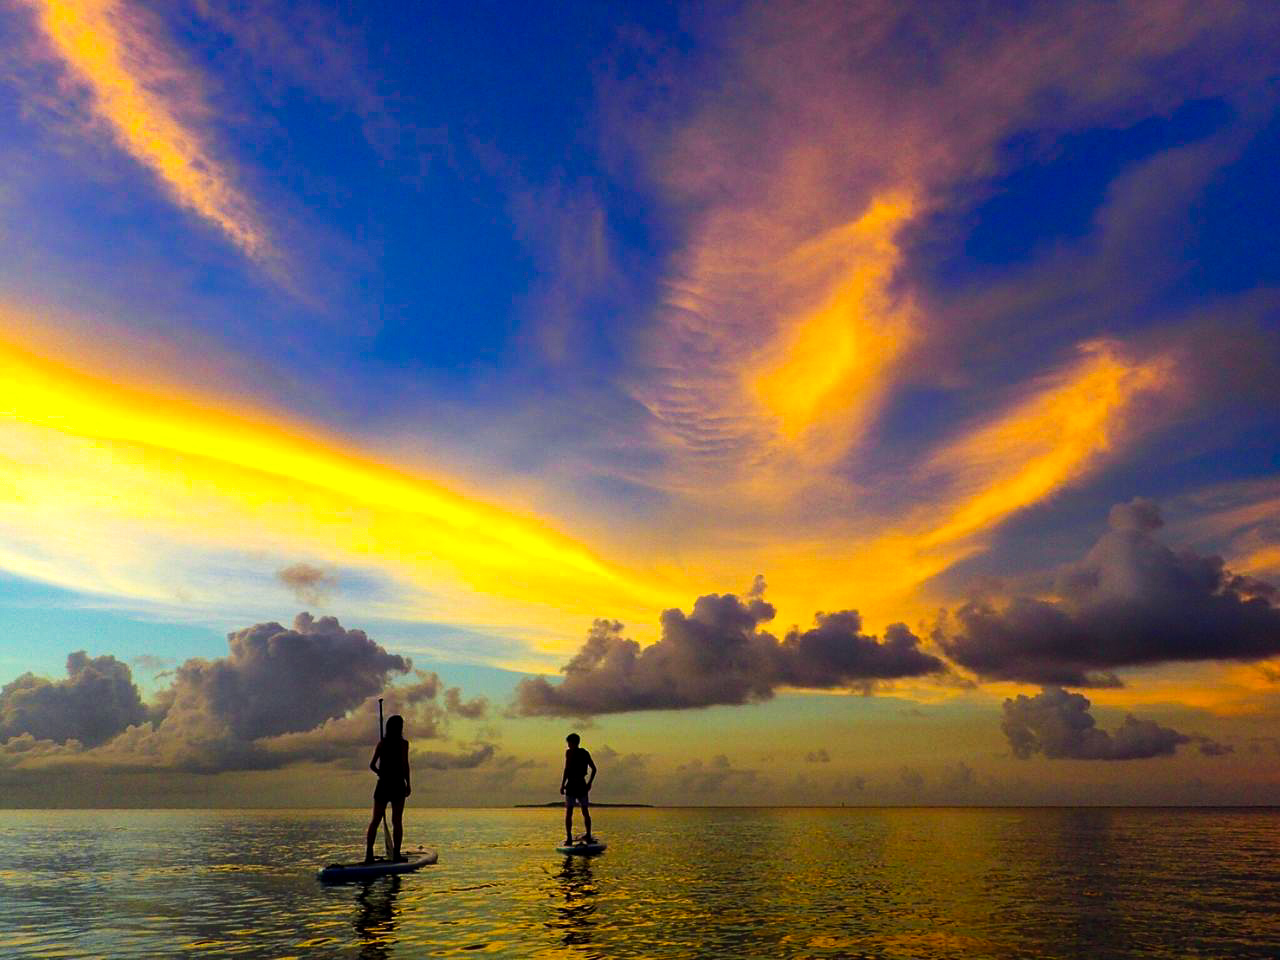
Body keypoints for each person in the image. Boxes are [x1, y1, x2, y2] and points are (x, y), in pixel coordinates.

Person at [365, 714, 411, 863]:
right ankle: (396, 854)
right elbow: (405, 765)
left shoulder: (382, 744)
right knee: (397, 821)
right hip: (397, 785)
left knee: (375, 821)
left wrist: (381, 773)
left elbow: (372, 765)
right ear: (400, 728)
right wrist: (408, 783)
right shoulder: (403, 744)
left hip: (383, 784)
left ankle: (369, 855)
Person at [560, 732, 596, 844]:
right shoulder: (569, 753)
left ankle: (588, 835)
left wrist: (589, 783)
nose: (568, 745)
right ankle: (569, 837)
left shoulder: (584, 753)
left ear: (574, 743)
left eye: (569, 743)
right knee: (569, 812)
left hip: (580, 785)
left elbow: (594, 769)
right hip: (571, 785)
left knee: (584, 810)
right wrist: (562, 784)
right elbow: (567, 769)